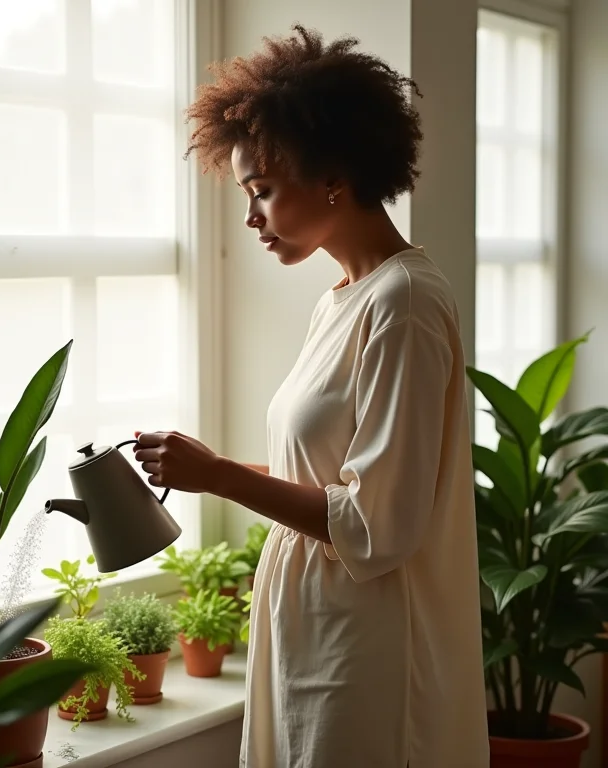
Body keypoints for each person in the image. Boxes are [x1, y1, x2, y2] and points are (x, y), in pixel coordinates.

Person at [132, 24, 489, 768]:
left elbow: (377, 524)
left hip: (370, 648)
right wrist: (211, 468)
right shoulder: (341, 301)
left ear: (330, 173)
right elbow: (328, 485)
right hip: (311, 629)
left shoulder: (407, 303)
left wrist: (220, 479)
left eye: (261, 190)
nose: (250, 217)